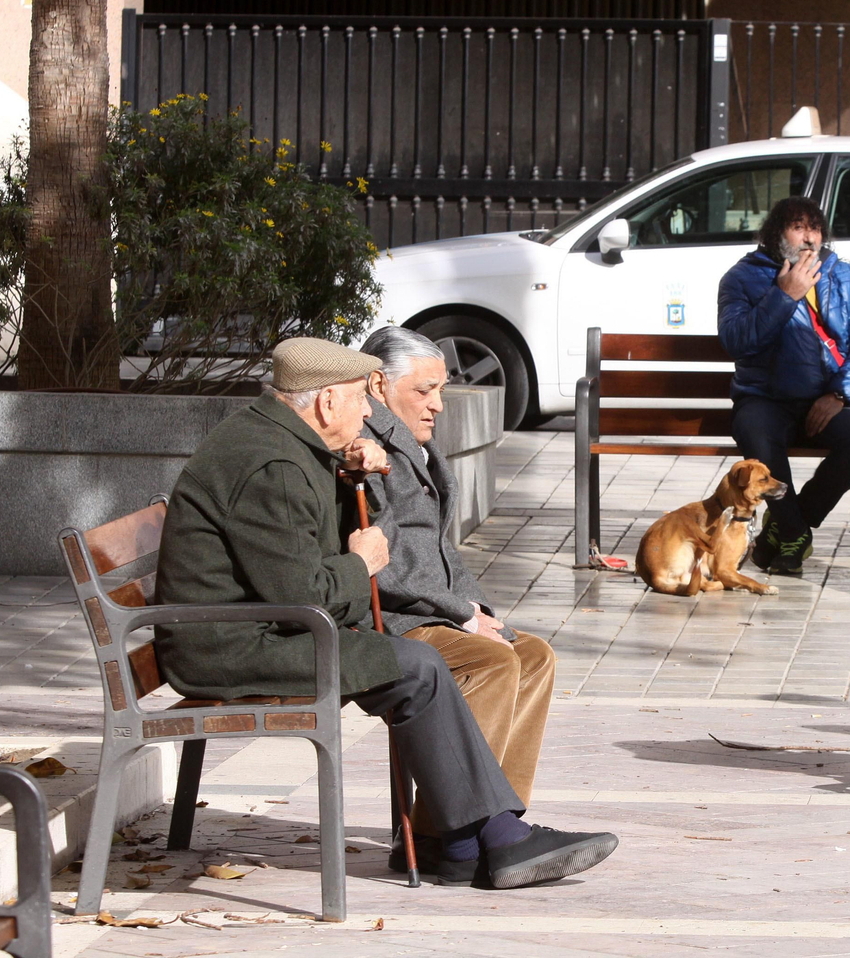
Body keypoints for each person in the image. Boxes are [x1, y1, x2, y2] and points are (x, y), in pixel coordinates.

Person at [153, 336, 617, 886]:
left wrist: (353, 476)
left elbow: (300, 562)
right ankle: (487, 838)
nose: (369, 411)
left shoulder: (279, 440)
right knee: (417, 667)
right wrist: (362, 561)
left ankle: (474, 839)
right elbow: (305, 595)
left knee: (421, 665)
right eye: (359, 399)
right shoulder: (270, 465)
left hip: (258, 631)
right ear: (327, 402)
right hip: (230, 647)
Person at [359, 325, 558, 865]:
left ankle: (499, 820)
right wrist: (463, 617)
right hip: (393, 620)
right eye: (424, 391)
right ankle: (446, 835)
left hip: (430, 611)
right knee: (492, 661)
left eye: (440, 390)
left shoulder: (411, 443)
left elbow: (443, 554)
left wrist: (480, 611)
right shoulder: (365, 448)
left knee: (533, 654)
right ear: (379, 385)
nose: (438, 405)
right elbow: (385, 568)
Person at [718, 196, 850, 575]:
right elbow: (735, 341)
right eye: (798, 227)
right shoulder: (742, 277)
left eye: (815, 228)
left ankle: (787, 527)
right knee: (758, 435)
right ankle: (794, 534)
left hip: (825, 397)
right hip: (764, 398)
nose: (809, 238)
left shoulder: (843, 275)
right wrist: (785, 295)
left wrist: (839, 395)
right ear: (777, 233)